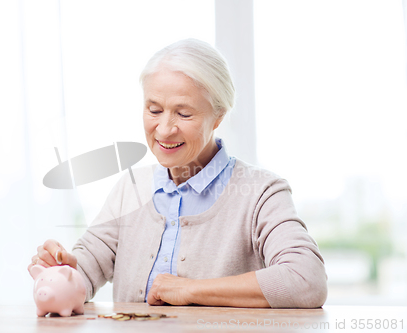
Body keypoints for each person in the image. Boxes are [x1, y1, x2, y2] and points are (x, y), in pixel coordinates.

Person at [28, 38, 327, 308]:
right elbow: (85, 271)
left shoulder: (261, 192)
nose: (165, 129)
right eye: (154, 110)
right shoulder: (131, 189)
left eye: (184, 114)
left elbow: (306, 279)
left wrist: (192, 290)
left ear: (219, 114)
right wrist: (62, 270)